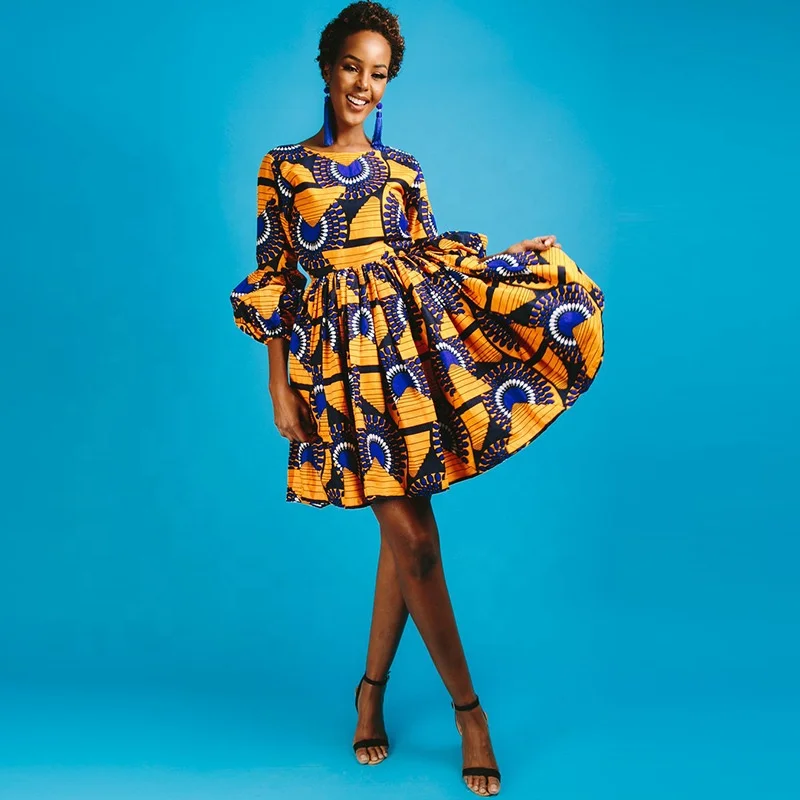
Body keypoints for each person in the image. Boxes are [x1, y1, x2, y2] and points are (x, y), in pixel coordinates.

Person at [230, 2, 605, 795]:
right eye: (351, 67)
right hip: (339, 369)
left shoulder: (402, 168)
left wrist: (508, 260)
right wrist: (278, 384)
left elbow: (433, 259)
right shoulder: (282, 168)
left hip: (408, 362)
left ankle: (372, 693)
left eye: (379, 74)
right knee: (412, 537)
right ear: (326, 68)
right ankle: (469, 711)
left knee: (408, 543)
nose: (363, 85)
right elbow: (274, 277)